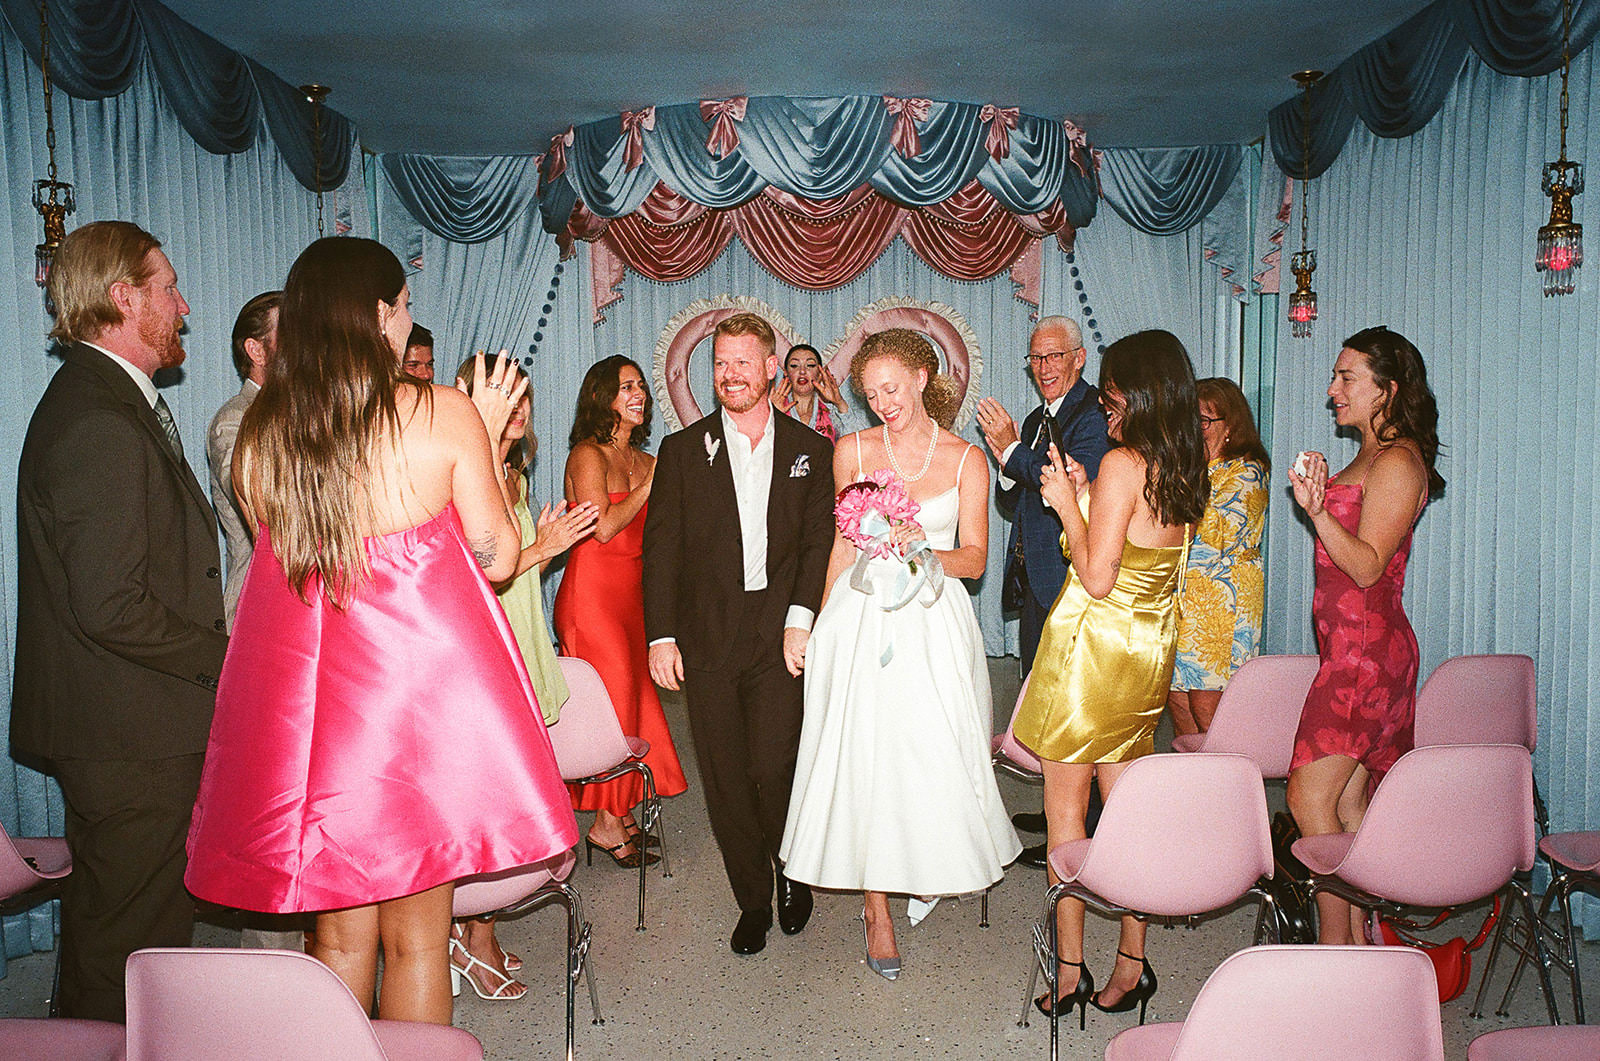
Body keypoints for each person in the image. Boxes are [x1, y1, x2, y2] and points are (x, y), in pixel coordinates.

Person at [184, 237, 578, 1024]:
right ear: (375, 314)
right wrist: (489, 436)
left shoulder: (262, 434)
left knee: (334, 936)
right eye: (402, 306)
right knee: (421, 941)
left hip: (318, 713)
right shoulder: (439, 411)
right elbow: (498, 557)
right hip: (412, 709)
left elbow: (296, 574)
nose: (406, 321)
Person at [12, 220, 228, 1021]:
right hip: (126, 727)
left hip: (132, 717)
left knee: (128, 921)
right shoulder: (99, 418)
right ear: (122, 298)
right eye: (168, 287)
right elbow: (111, 605)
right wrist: (224, 656)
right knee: (128, 936)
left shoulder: (107, 401)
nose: (183, 305)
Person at [780, 329, 1020, 981]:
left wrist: (917, 547)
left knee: (931, 752)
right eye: (870, 393)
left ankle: (926, 857)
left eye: (891, 387)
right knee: (869, 758)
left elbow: (973, 560)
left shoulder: (967, 459)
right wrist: (813, 622)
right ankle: (876, 907)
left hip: (934, 621)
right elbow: (837, 545)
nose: (882, 402)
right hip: (861, 618)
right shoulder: (851, 450)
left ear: (922, 377)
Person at [1011, 330, 1209, 1026]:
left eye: (1115, 390)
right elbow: (1134, 560)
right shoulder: (1183, 459)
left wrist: (1068, 501)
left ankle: (1070, 972)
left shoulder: (1124, 459)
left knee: (1068, 814)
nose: (1105, 401)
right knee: (1125, 817)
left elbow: (1095, 577)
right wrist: (1089, 503)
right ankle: (1132, 961)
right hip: (1145, 654)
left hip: (1093, 654)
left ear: (1143, 392)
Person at [644, 312, 835, 956]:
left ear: (770, 368)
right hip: (709, 638)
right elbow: (661, 550)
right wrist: (661, 636)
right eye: (720, 364)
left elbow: (817, 546)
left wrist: (800, 620)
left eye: (741, 364)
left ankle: (791, 871)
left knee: (775, 765)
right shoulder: (680, 451)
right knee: (725, 776)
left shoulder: (812, 450)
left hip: (780, 633)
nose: (728, 376)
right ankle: (752, 898)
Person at [1286, 326, 1444, 946]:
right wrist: (1320, 496)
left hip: (1365, 656)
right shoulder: (1371, 456)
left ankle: (1336, 961)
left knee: (1307, 800)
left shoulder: (1400, 460)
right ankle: (1358, 952)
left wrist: (1318, 509)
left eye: (1347, 377)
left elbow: (1369, 565)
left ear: (1388, 389)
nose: (1332, 391)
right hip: (1349, 650)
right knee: (1348, 810)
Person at [449, 356, 598, 1000]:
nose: (519, 409)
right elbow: (477, 574)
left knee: (508, 799)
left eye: (524, 397)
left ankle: (468, 930)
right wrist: (544, 548)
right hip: (483, 651)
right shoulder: (456, 473)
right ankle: (471, 937)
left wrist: (543, 547)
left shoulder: (509, 472)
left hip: (522, 637)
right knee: (490, 803)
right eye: (504, 397)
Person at [976, 316, 1110, 866]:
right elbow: (1019, 500)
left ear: (1079, 358)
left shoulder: (1094, 413)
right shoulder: (1035, 418)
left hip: (1075, 575)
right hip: (1036, 575)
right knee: (1043, 693)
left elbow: (1074, 476)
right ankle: (1063, 806)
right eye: (1036, 359)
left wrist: (1012, 455)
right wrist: (1008, 463)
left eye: (1055, 357)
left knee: (1074, 702)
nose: (1044, 368)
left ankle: (1090, 824)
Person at [554, 356, 686, 868]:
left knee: (631, 703)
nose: (639, 395)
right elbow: (603, 527)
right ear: (601, 397)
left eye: (641, 387)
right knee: (610, 708)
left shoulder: (648, 459)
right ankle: (606, 826)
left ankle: (622, 809)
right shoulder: (588, 455)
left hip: (633, 597)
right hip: (592, 598)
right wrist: (650, 487)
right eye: (626, 387)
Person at [1167, 377, 1271, 736]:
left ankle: (1232, 785)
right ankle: (1196, 788)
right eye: (1190, 421)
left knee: (1208, 706)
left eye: (1205, 421)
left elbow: (1212, 536)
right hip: (1185, 602)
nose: (1196, 430)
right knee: (1178, 698)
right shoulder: (1192, 468)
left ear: (1231, 425)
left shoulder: (1248, 471)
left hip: (1222, 608)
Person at [208, 291, 281, 629]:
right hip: (258, 613)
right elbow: (260, 504)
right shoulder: (234, 420)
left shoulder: (310, 417)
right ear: (255, 350)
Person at [773, 342, 849, 441]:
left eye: (810, 365)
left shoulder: (831, 411)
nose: (802, 371)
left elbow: (857, 447)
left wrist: (840, 403)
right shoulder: (775, 408)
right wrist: (773, 416)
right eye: (794, 365)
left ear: (819, 374)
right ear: (786, 373)